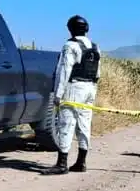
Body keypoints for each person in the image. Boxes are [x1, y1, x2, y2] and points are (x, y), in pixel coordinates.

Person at [43, 15, 100, 175]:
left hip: (74, 88)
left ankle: (62, 164)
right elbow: (98, 72)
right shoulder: (95, 47)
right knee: (84, 125)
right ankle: (81, 162)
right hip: (90, 88)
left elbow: (64, 70)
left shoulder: (70, 45)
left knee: (66, 124)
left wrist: (58, 94)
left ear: (70, 29)